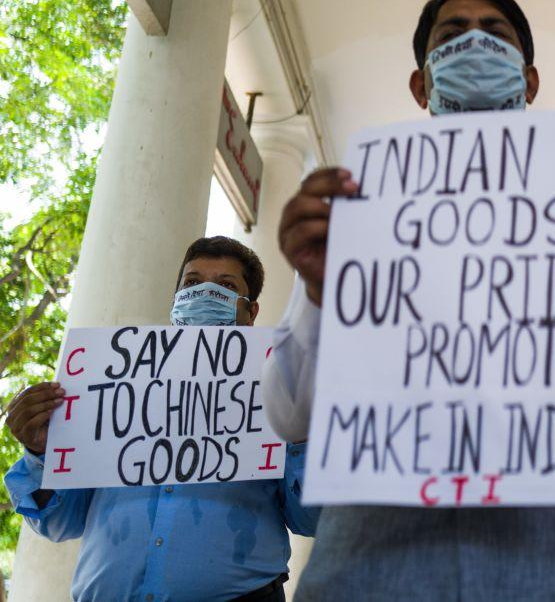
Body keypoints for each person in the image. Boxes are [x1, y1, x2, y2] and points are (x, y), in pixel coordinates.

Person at [262, 0, 555, 599]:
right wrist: (315, 289)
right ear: (421, 83)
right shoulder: (359, 211)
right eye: (452, 34)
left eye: (494, 33)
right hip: (378, 566)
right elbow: (289, 415)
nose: (474, 42)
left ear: (529, 79)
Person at [4, 236, 320, 601]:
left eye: (226, 286)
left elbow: (311, 520)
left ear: (251, 312)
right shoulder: (105, 385)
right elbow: (59, 522)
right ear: (176, 301)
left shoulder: (281, 395)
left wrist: (301, 441)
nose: (205, 293)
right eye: (192, 283)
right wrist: (42, 452)